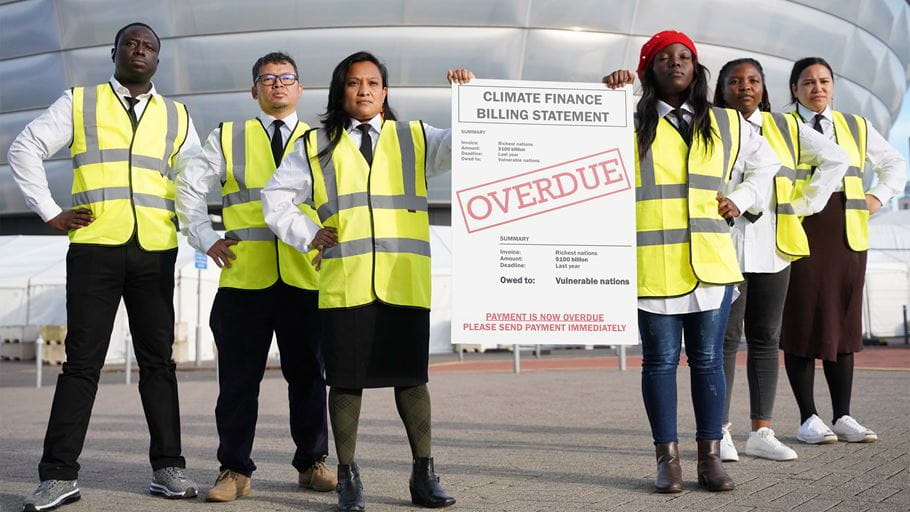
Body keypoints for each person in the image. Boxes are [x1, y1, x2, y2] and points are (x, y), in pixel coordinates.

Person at [262, 51, 470, 511]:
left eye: (373, 83)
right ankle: (350, 477)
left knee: (412, 380)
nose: (364, 91)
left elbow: (465, 145)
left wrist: (467, 98)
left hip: (404, 280)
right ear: (341, 91)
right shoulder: (315, 145)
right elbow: (275, 199)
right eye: (354, 83)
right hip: (346, 282)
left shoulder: (415, 137)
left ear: (385, 92)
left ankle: (423, 475)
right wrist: (307, 232)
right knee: (346, 382)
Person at [7, 22, 201, 511]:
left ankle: (168, 469)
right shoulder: (79, 101)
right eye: (131, 43)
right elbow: (24, 147)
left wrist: (205, 236)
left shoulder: (177, 116)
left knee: (159, 363)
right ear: (114, 52)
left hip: (155, 250)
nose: (140, 50)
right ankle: (58, 476)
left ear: (159, 58)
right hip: (95, 248)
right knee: (82, 363)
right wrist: (50, 211)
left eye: (149, 46)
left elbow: (194, 182)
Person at [603, 30, 778, 493]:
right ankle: (668, 460)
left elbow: (767, 165)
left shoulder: (726, 122)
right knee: (659, 362)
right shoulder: (627, 119)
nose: (676, 63)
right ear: (649, 68)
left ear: (696, 68)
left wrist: (740, 198)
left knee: (707, 361)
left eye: (685, 57)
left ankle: (710, 459)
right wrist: (610, 94)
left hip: (711, 264)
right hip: (653, 265)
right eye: (664, 57)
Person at [175, 51, 336, 502]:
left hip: (305, 278)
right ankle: (234, 470)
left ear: (300, 88)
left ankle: (313, 462)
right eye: (268, 79)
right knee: (238, 381)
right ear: (254, 91)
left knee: (309, 375)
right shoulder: (229, 136)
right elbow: (187, 186)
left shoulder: (323, 139)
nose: (278, 85)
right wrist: (205, 237)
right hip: (244, 279)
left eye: (286, 78)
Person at [711, 58, 849, 462]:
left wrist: (804, 204)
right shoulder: (710, 125)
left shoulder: (785, 127)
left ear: (765, 88)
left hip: (772, 245)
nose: (745, 87)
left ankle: (762, 431)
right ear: (721, 89)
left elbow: (836, 159)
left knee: (766, 339)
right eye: (735, 81)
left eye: (753, 80)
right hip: (724, 244)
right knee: (724, 341)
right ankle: (719, 432)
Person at [779, 57, 906, 445]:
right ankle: (807, 418)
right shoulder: (782, 125)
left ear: (833, 86)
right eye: (807, 82)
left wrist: (876, 198)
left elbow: (895, 165)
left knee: (843, 321)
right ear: (794, 89)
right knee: (800, 320)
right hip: (799, 230)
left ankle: (843, 414)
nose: (817, 88)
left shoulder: (856, 126)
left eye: (823, 81)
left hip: (847, 234)